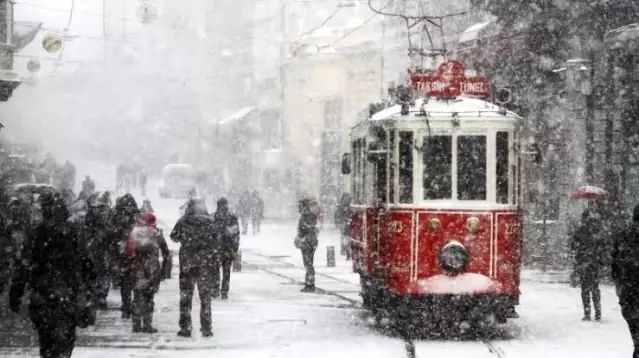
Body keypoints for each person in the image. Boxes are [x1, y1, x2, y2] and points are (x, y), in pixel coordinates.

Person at [9, 192, 93, 358]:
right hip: (67, 293)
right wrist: (89, 290)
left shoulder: (36, 233)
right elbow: (86, 264)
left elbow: (25, 265)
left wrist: (16, 292)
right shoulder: (72, 233)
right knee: (64, 339)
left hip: (44, 294)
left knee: (47, 340)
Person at [170, 198, 217, 338]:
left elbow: (174, 236)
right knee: (205, 297)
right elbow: (216, 240)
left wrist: (187, 239)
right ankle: (206, 327)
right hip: (204, 264)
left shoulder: (183, 220)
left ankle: (186, 327)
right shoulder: (209, 222)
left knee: (186, 297)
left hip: (187, 263)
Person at [126, 212, 170, 333]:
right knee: (149, 297)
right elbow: (166, 252)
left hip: (137, 267)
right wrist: (165, 270)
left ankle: (136, 324)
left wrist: (128, 266)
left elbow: (129, 252)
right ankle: (147, 324)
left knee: (137, 296)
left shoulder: (134, 233)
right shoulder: (157, 234)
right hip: (152, 268)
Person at [612, 203, 639, 358]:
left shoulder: (623, 235)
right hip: (629, 289)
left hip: (629, 292)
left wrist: (620, 287)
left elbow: (615, 265)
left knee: (636, 333)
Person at [570, 209, 605, 321]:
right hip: (594, 263)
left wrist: (580, 250)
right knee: (595, 288)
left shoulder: (580, 230)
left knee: (585, 289)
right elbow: (601, 246)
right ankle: (598, 313)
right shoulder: (597, 230)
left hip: (584, 263)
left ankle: (587, 313)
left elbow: (573, 245)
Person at [111, 193, 140, 318]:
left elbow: (112, 233)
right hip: (136, 252)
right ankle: (135, 306)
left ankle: (126, 307)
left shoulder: (117, 215)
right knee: (137, 280)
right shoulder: (136, 215)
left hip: (122, 252)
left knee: (125, 281)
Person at [85, 192, 114, 309]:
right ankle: (102, 295)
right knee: (105, 272)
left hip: (93, 247)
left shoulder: (92, 211)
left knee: (94, 271)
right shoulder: (110, 212)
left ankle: (94, 295)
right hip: (106, 247)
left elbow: (87, 227)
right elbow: (113, 230)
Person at [212, 198, 240, 299]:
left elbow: (209, 234)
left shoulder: (213, 217)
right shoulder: (231, 217)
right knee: (226, 271)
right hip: (227, 249)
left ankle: (215, 289)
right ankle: (224, 291)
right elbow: (236, 234)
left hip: (215, 249)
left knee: (215, 270)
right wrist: (234, 249)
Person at [295, 197, 320, 293]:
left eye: (300, 206)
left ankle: (310, 284)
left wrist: (300, 238)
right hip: (309, 242)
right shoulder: (309, 216)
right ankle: (309, 283)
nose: (298, 208)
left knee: (308, 264)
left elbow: (306, 229)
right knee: (308, 264)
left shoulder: (306, 216)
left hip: (307, 243)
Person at [334, 193, 352, 260]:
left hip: (347, 224)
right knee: (344, 238)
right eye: (345, 198)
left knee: (347, 238)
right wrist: (338, 223)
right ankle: (345, 250)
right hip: (344, 224)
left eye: (348, 198)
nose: (347, 200)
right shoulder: (341, 206)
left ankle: (347, 251)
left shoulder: (349, 206)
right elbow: (337, 214)